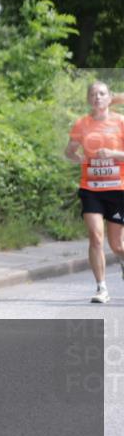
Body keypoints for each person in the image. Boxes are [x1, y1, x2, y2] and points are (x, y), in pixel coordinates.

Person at [64, 82, 124, 303]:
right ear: (88, 99)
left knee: (117, 245)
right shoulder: (82, 124)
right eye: (93, 94)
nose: (97, 97)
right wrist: (75, 156)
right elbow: (69, 150)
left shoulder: (120, 122)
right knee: (96, 237)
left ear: (109, 97)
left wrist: (112, 154)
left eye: (101, 93)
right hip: (91, 189)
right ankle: (102, 288)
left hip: (118, 189)